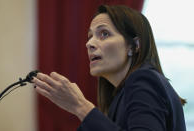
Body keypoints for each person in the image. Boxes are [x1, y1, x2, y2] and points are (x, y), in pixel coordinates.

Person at [32, 5, 186, 131]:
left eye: (104, 34)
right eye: (90, 36)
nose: (89, 43)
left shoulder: (144, 79)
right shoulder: (118, 97)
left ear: (134, 46)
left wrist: (80, 106)